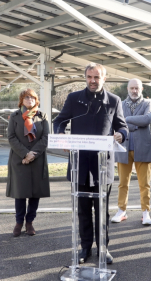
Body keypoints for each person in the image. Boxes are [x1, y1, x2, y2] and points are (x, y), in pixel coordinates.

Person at [53, 63, 128, 265]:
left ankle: (103, 248)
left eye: (97, 77)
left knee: (102, 211)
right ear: (85, 77)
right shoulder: (73, 99)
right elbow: (59, 121)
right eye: (89, 77)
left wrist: (121, 134)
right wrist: (60, 135)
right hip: (80, 165)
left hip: (103, 166)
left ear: (104, 78)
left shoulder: (113, 100)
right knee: (84, 211)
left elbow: (122, 126)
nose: (93, 81)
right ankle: (85, 248)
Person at [6, 88, 50, 237]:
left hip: (37, 160)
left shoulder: (42, 116)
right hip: (19, 160)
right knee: (20, 193)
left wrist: (33, 155)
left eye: (32, 97)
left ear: (36, 100)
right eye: (26, 98)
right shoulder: (15, 116)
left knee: (34, 193)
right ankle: (19, 222)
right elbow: (11, 137)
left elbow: (45, 138)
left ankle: (29, 222)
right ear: (21, 100)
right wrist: (25, 153)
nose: (29, 100)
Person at [112, 79, 151, 225]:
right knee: (123, 183)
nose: (134, 91)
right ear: (128, 89)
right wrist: (135, 123)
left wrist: (127, 120)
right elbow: (116, 122)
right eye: (132, 88)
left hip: (142, 148)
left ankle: (145, 213)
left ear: (141, 89)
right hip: (123, 148)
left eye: (137, 88)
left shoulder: (147, 103)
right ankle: (121, 210)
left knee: (144, 184)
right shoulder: (120, 104)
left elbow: (147, 119)